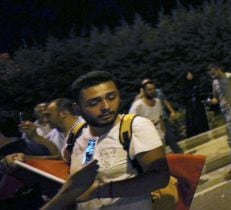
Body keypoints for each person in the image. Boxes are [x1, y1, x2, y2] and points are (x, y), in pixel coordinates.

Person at [30, 71, 169, 210]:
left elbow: (159, 177)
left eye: (111, 97)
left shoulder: (134, 127)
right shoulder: (77, 134)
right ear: (77, 109)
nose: (106, 107)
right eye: (94, 103)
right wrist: (27, 159)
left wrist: (99, 191)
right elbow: (86, 166)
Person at [182, 71, 210, 138]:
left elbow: (202, 94)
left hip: (198, 105)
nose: (190, 76)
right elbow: (184, 97)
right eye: (188, 75)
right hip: (190, 107)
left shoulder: (197, 84)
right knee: (192, 121)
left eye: (191, 74)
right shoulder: (185, 86)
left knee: (200, 119)